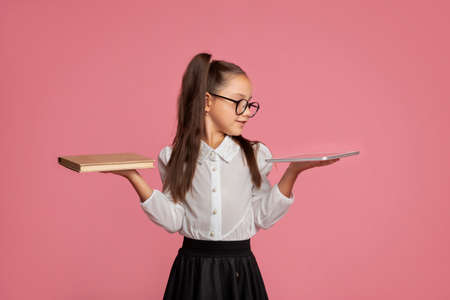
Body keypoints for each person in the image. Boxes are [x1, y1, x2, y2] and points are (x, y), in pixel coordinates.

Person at [102, 52, 339, 299]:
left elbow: (262, 216)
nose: (246, 111)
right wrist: (134, 177)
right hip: (192, 270)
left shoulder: (255, 155)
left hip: (239, 270)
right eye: (239, 102)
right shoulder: (175, 157)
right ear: (207, 102)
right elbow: (174, 220)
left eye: (249, 104)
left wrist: (293, 171)